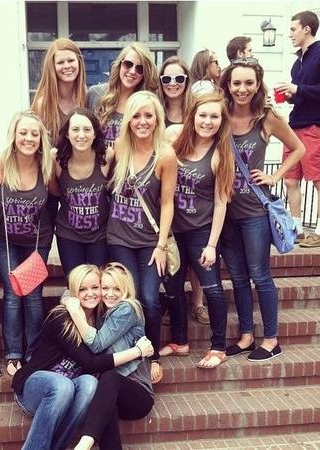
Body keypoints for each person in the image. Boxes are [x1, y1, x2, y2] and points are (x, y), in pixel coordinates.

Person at [11, 264, 153, 450]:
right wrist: (138, 351)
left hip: (70, 392)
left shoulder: (101, 318)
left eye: (95, 287)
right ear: (73, 293)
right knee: (62, 385)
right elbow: (91, 362)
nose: (91, 293)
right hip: (38, 386)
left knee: (91, 385)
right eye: (82, 289)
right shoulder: (62, 318)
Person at [219, 58, 305, 361]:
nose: (242, 89)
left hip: (255, 211)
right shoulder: (220, 114)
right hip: (224, 212)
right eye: (236, 83)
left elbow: (299, 148)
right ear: (228, 85)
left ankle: (270, 339)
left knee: (260, 274)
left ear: (258, 85)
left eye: (248, 83)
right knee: (238, 277)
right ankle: (245, 335)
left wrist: (274, 176)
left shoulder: (266, 117)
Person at [160, 93, 234, 369]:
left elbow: (220, 203)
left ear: (221, 121)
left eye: (214, 116)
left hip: (201, 233)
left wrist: (212, 245)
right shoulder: (176, 144)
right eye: (203, 115)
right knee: (173, 288)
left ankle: (218, 347)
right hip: (173, 232)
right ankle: (180, 341)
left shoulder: (220, 154)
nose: (207, 121)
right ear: (192, 116)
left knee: (213, 290)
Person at [107, 90, 177, 383]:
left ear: (157, 118)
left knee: (149, 298)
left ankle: (152, 355)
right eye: (136, 115)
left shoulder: (165, 154)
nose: (142, 121)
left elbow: (167, 202)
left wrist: (161, 244)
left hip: (150, 240)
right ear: (128, 120)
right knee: (130, 297)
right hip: (119, 237)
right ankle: (131, 352)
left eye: (148, 115)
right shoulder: (120, 148)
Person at [0, 110, 54, 376]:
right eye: (23, 133)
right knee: (14, 293)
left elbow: (70, 186)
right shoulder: (0, 163)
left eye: (34, 134)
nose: (29, 138)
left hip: (37, 241)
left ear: (41, 138)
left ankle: (34, 352)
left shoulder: (48, 165)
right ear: (14, 136)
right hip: (4, 240)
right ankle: (14, 353)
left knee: (34, 297)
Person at [64, 262, 154, 450]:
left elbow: (96, 344)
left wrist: (74, 311)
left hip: (138, 395)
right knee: (105, 401)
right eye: (105, 288)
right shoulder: (104, 310)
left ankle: (84, 445)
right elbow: (68, 293)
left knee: (109, 378)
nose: (110, 293)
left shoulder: (127, 309)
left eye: (116, 288)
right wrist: (68, 298)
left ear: (126, 289)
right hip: (111, 391)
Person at [157, 55, 209, 326]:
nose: (173, 84)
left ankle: (198, 303)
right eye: (167, 79)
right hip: (163, 189)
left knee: (193, 253)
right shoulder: (156, 109)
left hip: (193, 188)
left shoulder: (196, 109)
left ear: (187, 81)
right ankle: (170, 298)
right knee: (170, 250)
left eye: (179, 78)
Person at [275, 10, 320, 247]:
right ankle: (297, 229)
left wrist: (297, 89)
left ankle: (319, 234)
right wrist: (290, 95)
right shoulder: (296, 62)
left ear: (307, 29)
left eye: (293, 29)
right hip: (294, 126)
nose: (290, 34)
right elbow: (302, 94)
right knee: (291, 180)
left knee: (317, 179)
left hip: (314, 125)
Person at [54, 108, 114, 276]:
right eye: (75, 129)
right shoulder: (56, 159)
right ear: (67, 134)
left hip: (99, 235)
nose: (81, 135)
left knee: (98, 282)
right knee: (75, 283)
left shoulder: (107, 156)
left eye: (87, 129)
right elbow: (54, 191)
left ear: (95, 133)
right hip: (68, 234)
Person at [87, 42, 159, 148]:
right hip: (97, 163)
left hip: (128, 163)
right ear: (120, 64)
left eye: (140, 69)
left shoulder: (147, 103)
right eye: (128, 64)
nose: (132, 71)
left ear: (145, 74)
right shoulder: (96, 94)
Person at [31, 38, 87, 145]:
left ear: (79, 62)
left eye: (71, 60)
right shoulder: (43, 104)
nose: (67, 66)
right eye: (60, 62)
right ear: (52, 67)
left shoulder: (87, 97)